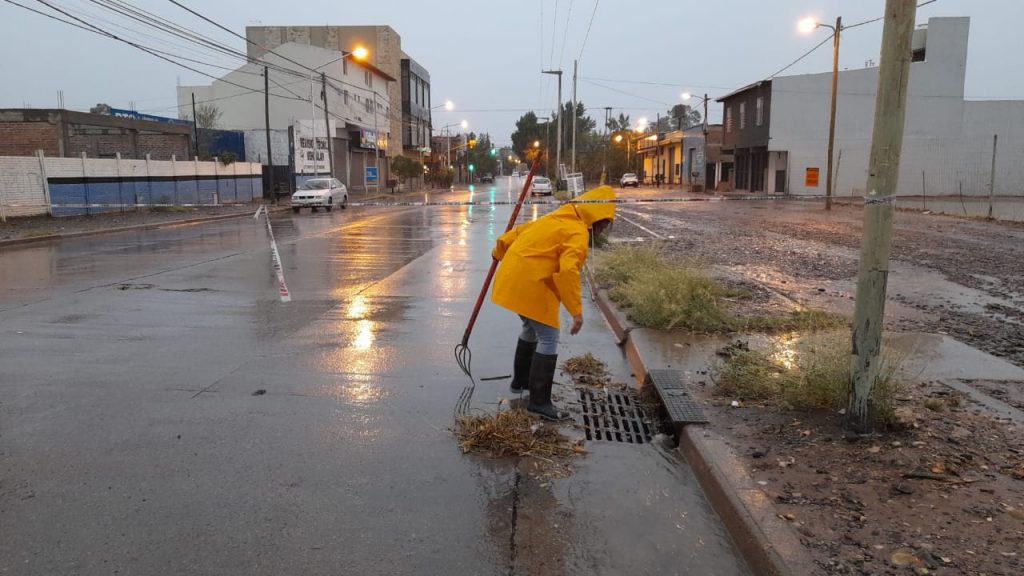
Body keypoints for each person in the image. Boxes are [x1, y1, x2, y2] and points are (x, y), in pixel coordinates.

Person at [490, 185, 615, 420]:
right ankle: (539, 402)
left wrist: (498, 251)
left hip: (511, 279)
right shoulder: (577, 232)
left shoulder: (557, 217)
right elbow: (568, 272)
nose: (601, 232)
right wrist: (576, 312)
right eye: (603, 225)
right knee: (549, 337)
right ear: (596, 219)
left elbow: (515, 234)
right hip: (530, 284)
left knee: (530, 328)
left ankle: (522, 383)